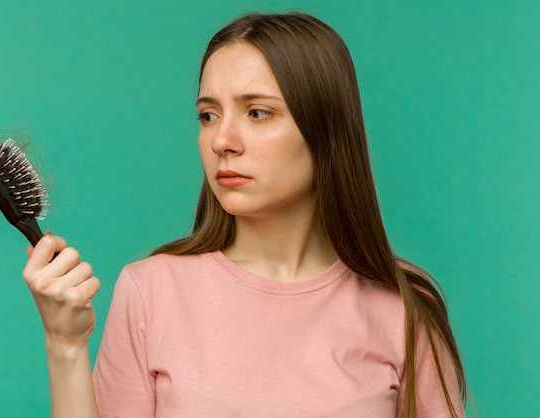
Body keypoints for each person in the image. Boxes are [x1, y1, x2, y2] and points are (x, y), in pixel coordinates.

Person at [23, 11, 467, 418]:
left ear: (325, 128)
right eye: (208, 115)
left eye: (257, 112)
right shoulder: (150, 291)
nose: (222, 140)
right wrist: (65, 344)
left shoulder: (403, 308)